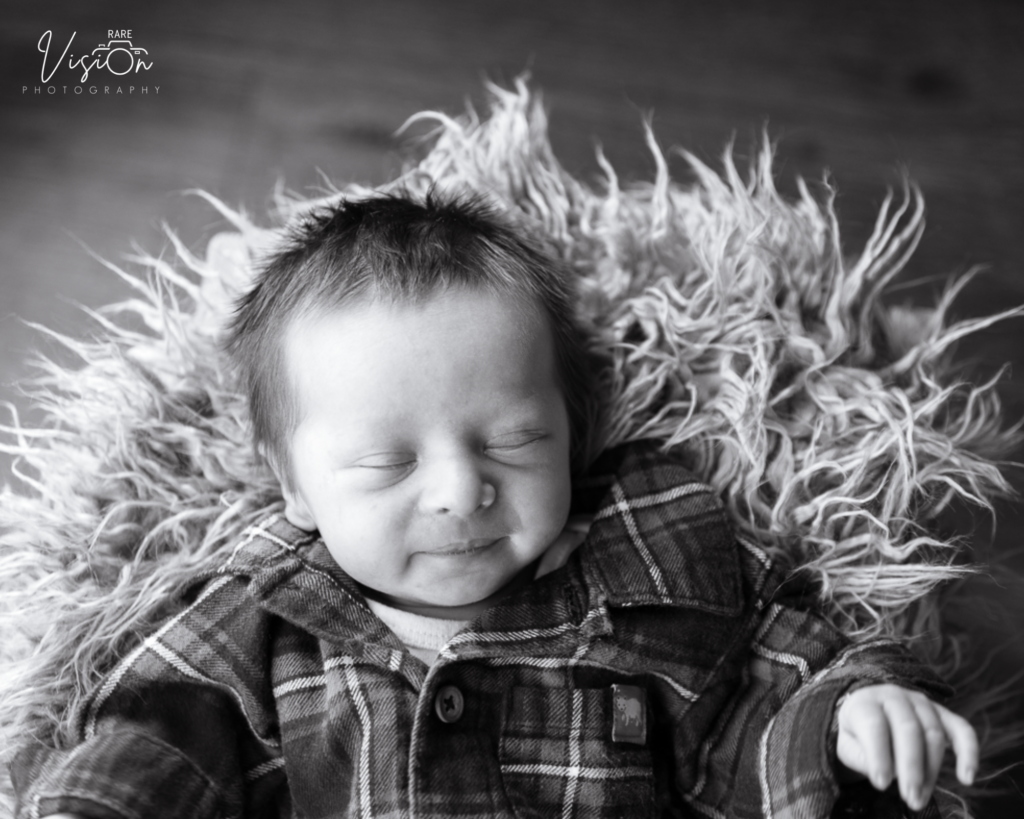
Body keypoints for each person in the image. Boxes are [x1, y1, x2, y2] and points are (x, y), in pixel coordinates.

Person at [12, 192, 978, 819]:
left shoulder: (651, 564)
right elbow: (151, 742)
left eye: (514, 441)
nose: (461, 490)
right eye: (388, 462)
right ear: (296, 485)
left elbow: (761, 700)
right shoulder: (259, 617)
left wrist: (855, 715)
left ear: (575, 422)